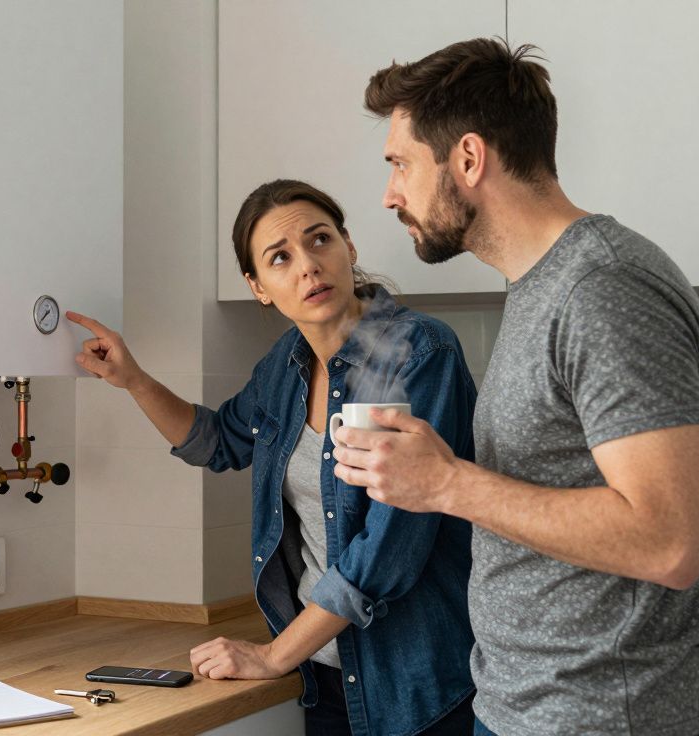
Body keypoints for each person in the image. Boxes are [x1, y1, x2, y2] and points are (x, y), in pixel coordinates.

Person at [331, 39, 699, 735]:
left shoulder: (602, 288)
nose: (389, 193)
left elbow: (669, 541)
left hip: (607, 719)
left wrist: (448, 484)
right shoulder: (542, 286)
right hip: (529, 710)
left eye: (400, 164)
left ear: (470, 160)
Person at [67, 179, 478, 735]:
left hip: (416, 684)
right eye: (280, 258)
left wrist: (273, 656)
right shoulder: (283, 367)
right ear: (258, 286)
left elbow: (389, 552)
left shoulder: (420, 353)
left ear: (348, 248)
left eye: (320, 240)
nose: (308, 265)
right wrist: (133, 380)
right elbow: (216, 442)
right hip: (324, 675)